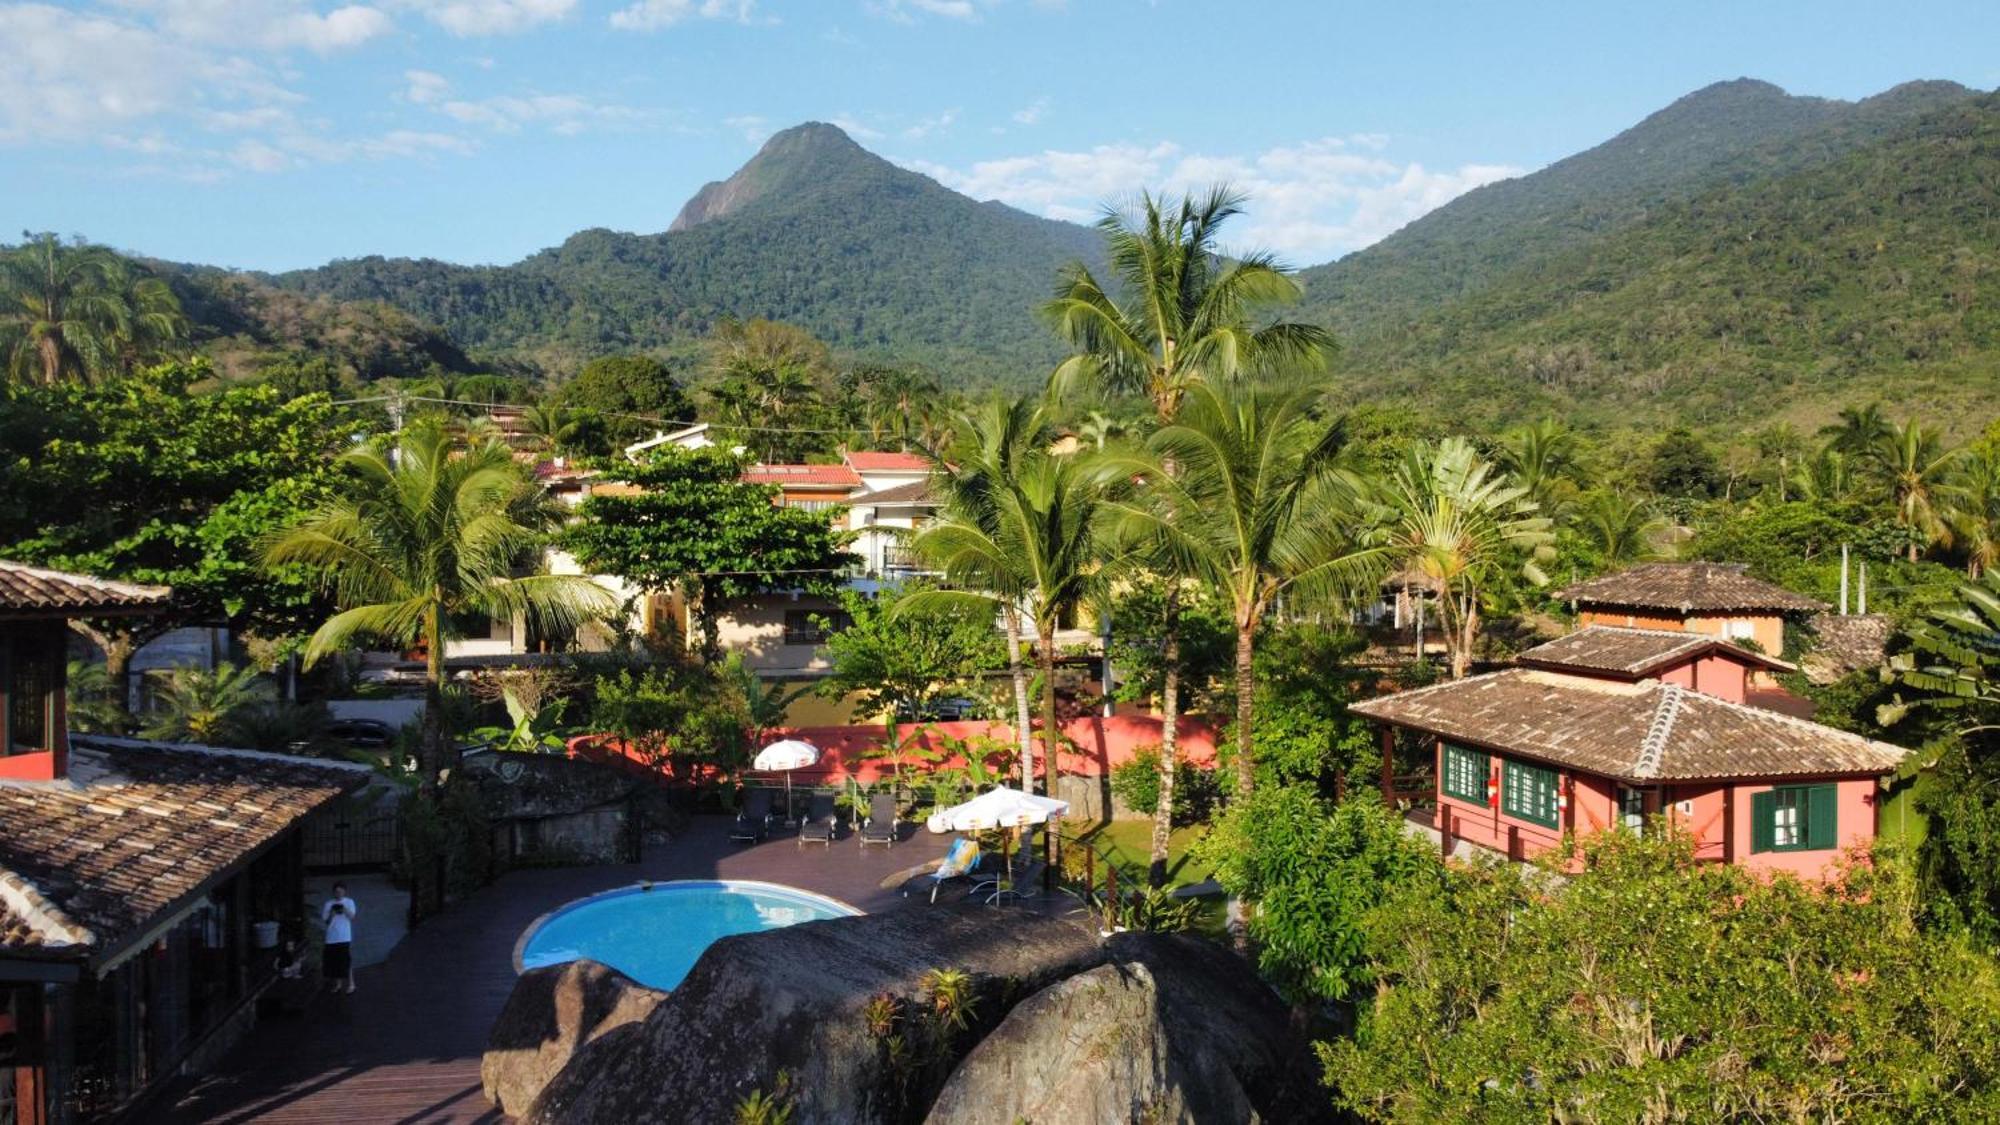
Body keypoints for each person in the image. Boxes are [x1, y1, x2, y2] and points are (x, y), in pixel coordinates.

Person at [321, 882, 359, 994]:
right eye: (336, 891)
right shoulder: (328, 904)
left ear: (345, 891)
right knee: (334, 962)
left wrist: (344, 909)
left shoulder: (349, 902)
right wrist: (332, 912)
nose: (339, 893)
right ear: (333, 892)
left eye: (341, 891)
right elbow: (326, 921)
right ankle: (338, 984)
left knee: (346, 961)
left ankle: (352, 984)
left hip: (344, 937)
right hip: (331, 937)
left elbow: (352, 917)